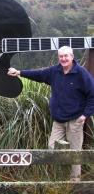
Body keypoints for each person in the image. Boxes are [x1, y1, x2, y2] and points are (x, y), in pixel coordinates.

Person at [7, 46, 94, 181]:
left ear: (72, 57)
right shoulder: (55, 71)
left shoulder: (81, 73)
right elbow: (39, 74)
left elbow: (92, 94)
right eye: (61, 56)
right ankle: (57, 181)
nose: (63, 59)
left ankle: (74, 183)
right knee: (51, 149)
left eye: (66, 56)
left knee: (74, 154)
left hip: (75, 121)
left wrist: (85, 115)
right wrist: (19, 72)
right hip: (58, 120)